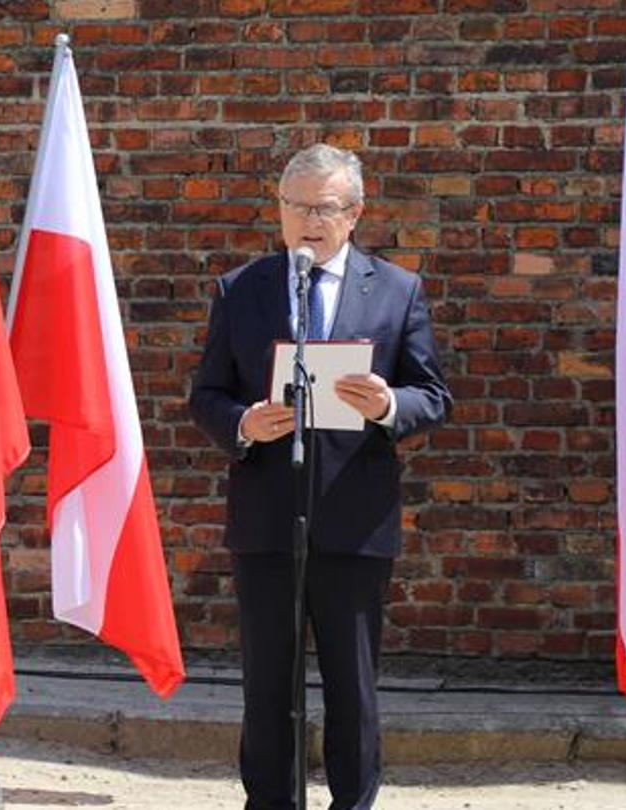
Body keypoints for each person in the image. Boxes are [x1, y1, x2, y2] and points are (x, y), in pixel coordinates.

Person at [189, 143, 452, 810]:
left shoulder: (397, 290)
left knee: (351, 688)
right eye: (296, 207)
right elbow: (207, 395)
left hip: (354, 521)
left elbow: (433, 394)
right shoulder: (241, 289)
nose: (309, 220)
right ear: (279, 211)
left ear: (355, 213)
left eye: (325, 208)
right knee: (268, 686)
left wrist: (388, 404)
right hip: (268, 521)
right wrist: (244, 422)